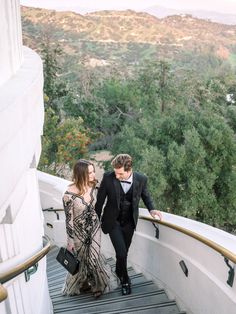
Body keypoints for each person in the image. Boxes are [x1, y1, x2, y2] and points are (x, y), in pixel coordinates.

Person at [95, 153, 162, 296]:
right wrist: (95, 218)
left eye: (120, 174)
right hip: (112, 222)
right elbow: (99, 201)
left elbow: (145, 195)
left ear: (129, 169)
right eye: (115, 173)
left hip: (129, 222)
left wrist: (152, 209)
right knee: (121, 252)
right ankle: (125, 280)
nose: (117, 176)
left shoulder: (141, 179)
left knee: (123, 254)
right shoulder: (108, 178)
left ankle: (119, 270)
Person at [62, 159, 117, 298]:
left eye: (93, 171)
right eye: (90, 173)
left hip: (94, 229)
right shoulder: (68, 195)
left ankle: (98, 286)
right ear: (81, 174)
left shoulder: (94, 186)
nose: (93, 175)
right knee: (82, 259)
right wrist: (70, 240)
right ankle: (84, 283)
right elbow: (69, 220)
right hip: (79, 233)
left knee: (93, 257)